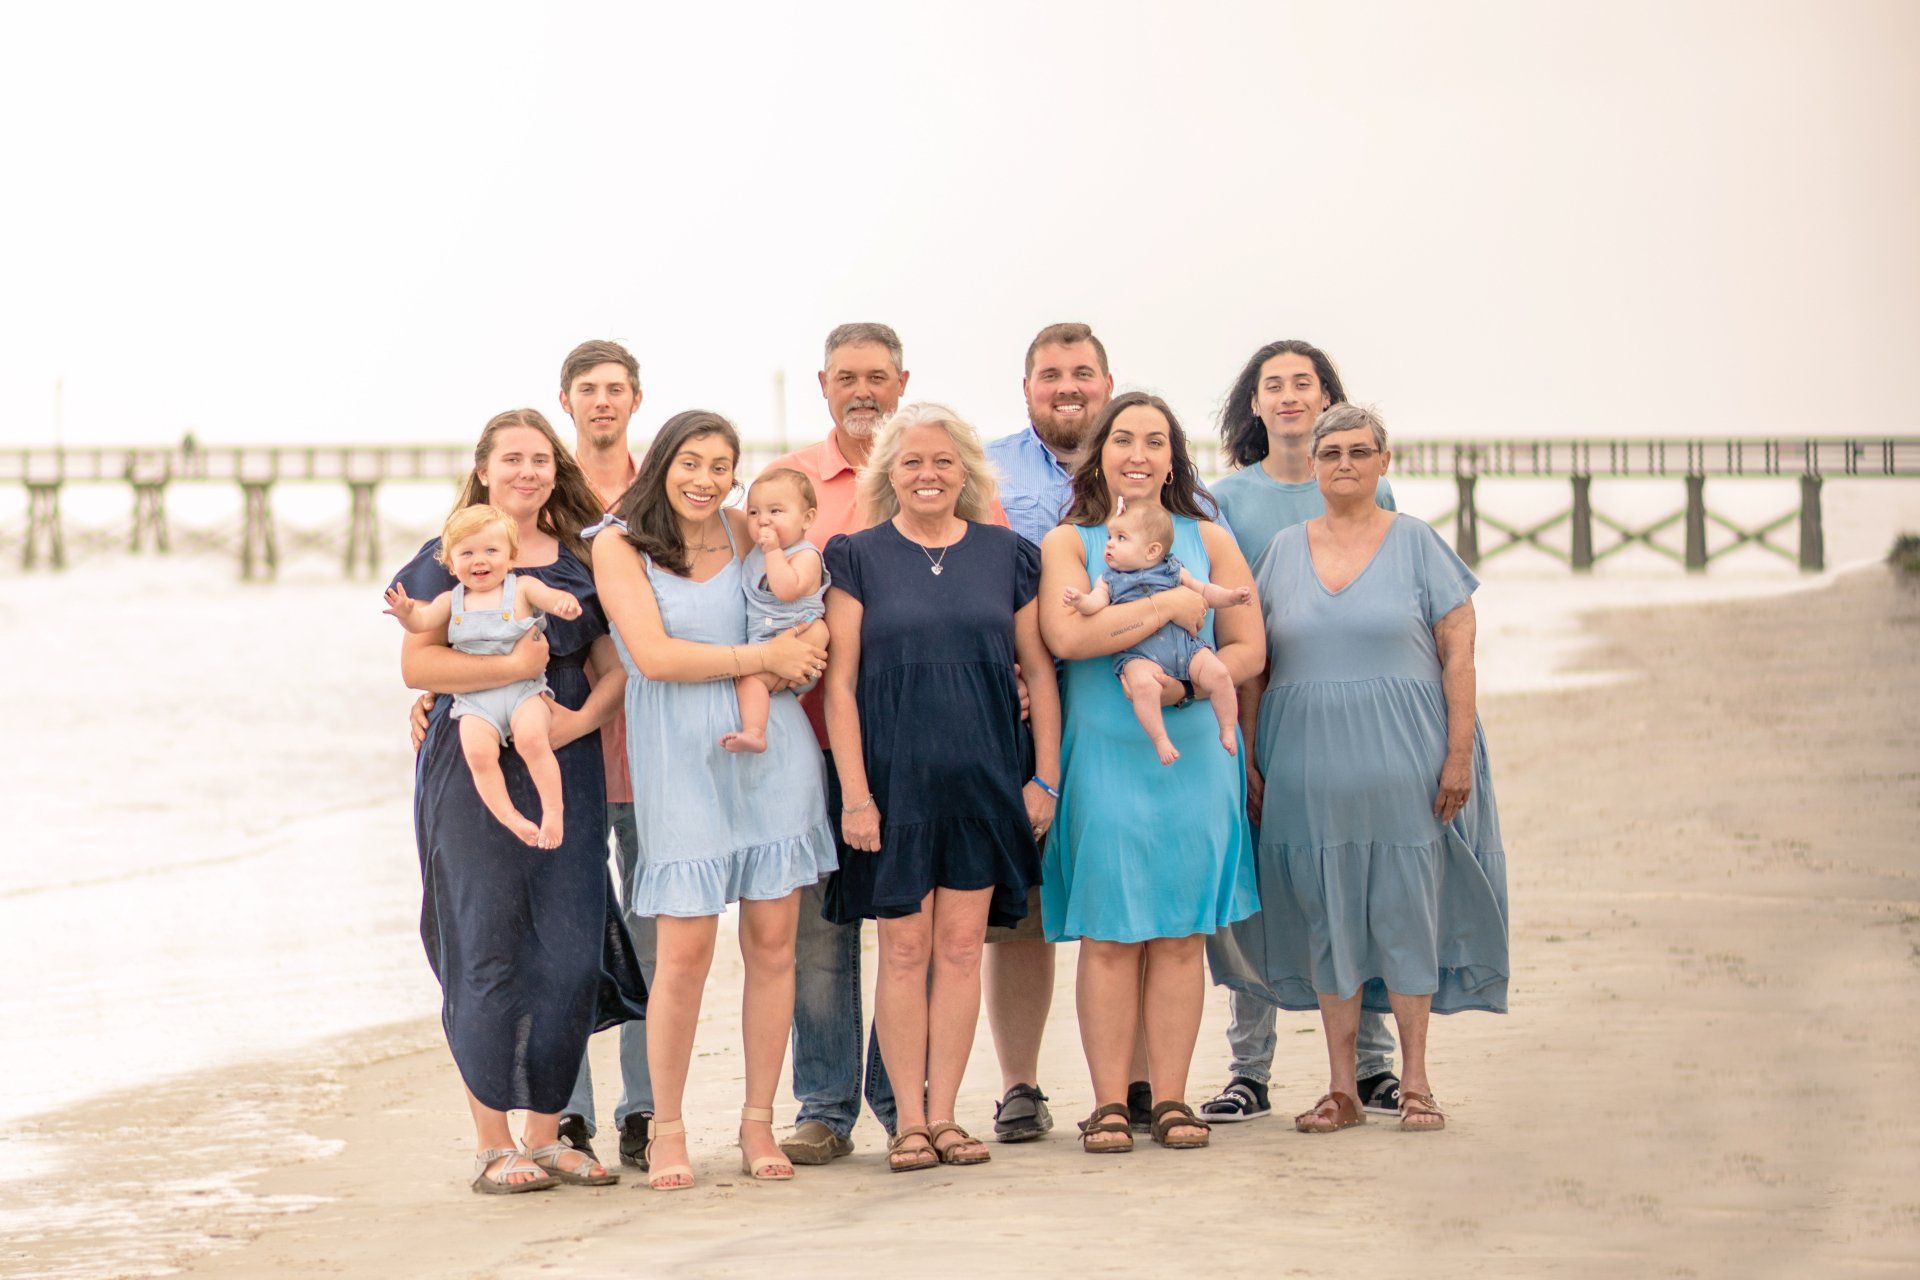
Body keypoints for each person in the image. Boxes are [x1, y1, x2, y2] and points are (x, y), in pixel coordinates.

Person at [1222, 403, 1508, 1135]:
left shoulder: (1417, 543)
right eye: (1331, 454)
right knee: (1327, 915)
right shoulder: (1282, 550)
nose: (1344, 464)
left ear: (1384, 463)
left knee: (1405, 911)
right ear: (1312, 467)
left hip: (1405, 761)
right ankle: (1341, 1089)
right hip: (1305, 767)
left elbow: (1459, 650)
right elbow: (1255, 667)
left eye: (1359, 452)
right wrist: (1250, 756)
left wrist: (1459, 752)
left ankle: (1414, 1081)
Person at [388, 408, 646, 1194]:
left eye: (541, 458)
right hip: (468, 776)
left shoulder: (577, 561)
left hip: (562, 765)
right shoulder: (448, 556)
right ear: (484, 469)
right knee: (486, 946)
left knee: (568, 950)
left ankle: (548, 1136)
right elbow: (415, 665)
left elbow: (614, 669)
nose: (528, 471)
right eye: (512, 459)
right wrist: (509, 675)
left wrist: (579, 718)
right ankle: (492, 1143)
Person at [592, 410, 838, 1189]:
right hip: (679, 757)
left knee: (772, 947)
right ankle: (666, 1129)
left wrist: (809, 644)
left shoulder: (745, 529)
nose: (705, 479)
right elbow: (654, 658)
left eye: (720, 465)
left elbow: (801, 603)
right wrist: (766, 654)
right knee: (684, 954)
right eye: (690, 462)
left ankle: (758, 1123)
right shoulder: (618, 543)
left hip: (772, 753)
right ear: (662, 463)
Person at [821, 403, 1061, 1173]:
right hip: (890, 788)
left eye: (943, 461)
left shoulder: (1008, 554)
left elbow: (1040, 675)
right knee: (902, 948)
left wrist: (1045, 778)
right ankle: (908, 1124)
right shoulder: (854, 555)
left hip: (984, 782)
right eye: (913, 461)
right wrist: (855, 794)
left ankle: (950, 1115)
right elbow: (840, 685)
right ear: (889, 472)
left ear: (967, 472)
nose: (928, 474)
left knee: (961, 949)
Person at [1037, 391, 1262, 1154]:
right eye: (1123, 438)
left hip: (1196, 754)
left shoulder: (1211, 538)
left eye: (1155, 441)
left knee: (1179, 935)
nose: (1138, 454)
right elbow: (1069, 637)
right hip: (1105, 754)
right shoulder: (1070, 542)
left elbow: (1248, 648)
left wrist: (1193, 686)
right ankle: (1106, 1104)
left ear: (1174, 457)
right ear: (1100, 450)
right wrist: (1169, 604)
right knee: (1108, 932)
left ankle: (1170, 1099)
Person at [1201, 338, 1402, 1124]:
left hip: (1343, 721)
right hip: (1252, 713)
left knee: (1357, 884)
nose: (1287, 395)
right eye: (1272, 384)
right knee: (1252, 894)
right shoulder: (1225, 500)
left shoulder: (1364, 496)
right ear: (1254, 404)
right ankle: (1249, 1069)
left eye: (1303, 383)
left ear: (1327, 400)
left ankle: (1375, 1065)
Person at [765, 323, 911, 1165]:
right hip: (806, 735)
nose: (863, 391)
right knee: (820, 931)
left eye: (877, 377)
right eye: (847, 377)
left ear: (902, 380)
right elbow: (749, 587)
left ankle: (905, 1102)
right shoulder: (789, 480)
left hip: (914, 739)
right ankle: (823, 1106)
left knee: (905, 925)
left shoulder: (933, 465)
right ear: (824, 384)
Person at [384, 504, 585, 848]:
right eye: (468, 553)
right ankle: (512, 819)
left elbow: (551, 599)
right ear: (450, 562)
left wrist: (563, 603)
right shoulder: (451, 600)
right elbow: (422, 623)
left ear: (511, 557)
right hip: (476, 699)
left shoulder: (522, 588)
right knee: (477, 753)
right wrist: (406, 614)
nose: (480, 560)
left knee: (533, 740)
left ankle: (553, 813)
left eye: (492, 551)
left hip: (523, 692)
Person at [1063, 499, 1251, 763]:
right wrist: (1080, 601)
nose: (1110, 544)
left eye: (1121, 538)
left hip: (1185, 648)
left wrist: (1231, 597)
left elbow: (1206, 592)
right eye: (1109, 536)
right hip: (1139, 655)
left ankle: (1228, 727)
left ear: (1152, 551)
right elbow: (1095, 603)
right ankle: (1160, 738)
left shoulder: (1173, 569)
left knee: (1219, 674)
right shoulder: (1108, 579)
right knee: (1143, 686)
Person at [721, 468, 829, 755]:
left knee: (750, 680)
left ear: (807, 518)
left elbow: (786, 589)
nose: (763, 520)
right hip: (766, 644)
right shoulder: (756, 553)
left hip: (799, 648)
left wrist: (773, 553)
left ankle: (755, 732)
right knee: (749, 678)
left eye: (776, 511)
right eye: (754, 513)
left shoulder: (806, 555)